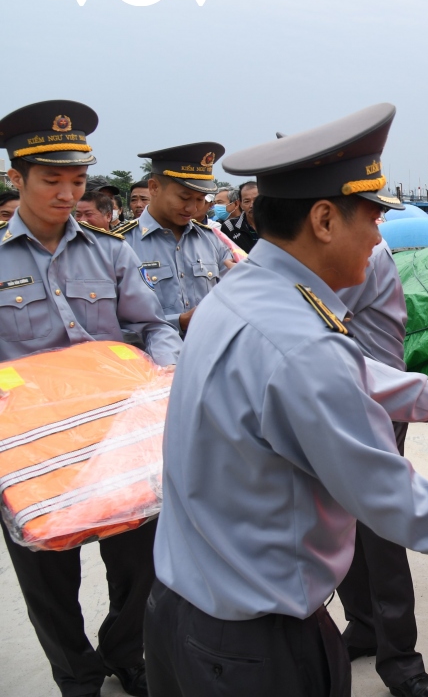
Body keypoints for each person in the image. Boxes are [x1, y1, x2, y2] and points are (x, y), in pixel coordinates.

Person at [144, 103, 428, 697]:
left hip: (182, 613)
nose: (377, 239)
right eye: (371, 219)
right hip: (252, 652)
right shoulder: (299, 340)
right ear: (322, 220)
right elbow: (394, 499)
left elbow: (356, 377)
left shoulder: (244, 294)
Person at [0, 99, 182, 697]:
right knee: (48, 578)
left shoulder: (111, 252)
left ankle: (127, 652)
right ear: (15, 179)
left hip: (116, 440)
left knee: (140, 560)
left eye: (75, 180)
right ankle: (76, 676)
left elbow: (151, 325)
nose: (65, 192)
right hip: (32, 454)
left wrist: (170, 373)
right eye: (51, 180)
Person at [333, 240, 428, 697]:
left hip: (374, 410)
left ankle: (401, 660)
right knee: (340, 522)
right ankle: (362, 625)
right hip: (333, 405)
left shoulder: (362, 250)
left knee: (381, 529)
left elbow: (307, 315)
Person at [119, 143, 234, 336]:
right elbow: (111, 323)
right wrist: (179, 322)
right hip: (149, 362)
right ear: (154, 187)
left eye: (200, 199)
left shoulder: (213, 241)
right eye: (184, 197)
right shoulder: (120, 244)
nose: (193, 208)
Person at [221, 179, 259, 251]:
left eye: (257, 200)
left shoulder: (277, 225)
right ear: (240, 204)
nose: (252, 205)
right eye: (247, 201)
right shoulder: (230, 226)